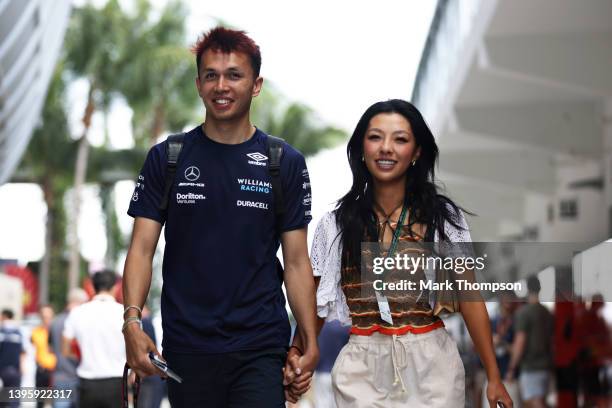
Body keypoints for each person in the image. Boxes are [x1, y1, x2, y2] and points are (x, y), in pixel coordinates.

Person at [122, 26, 319, 407]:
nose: (221, 86)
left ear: (256, 84)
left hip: (261, 345)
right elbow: (142, 249)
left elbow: (296, 261)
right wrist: (132, 322)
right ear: (198, 84)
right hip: (187, 347)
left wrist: (308, 341)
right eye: (211, 75)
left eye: (234, 75)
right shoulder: (168, 158)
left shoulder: (284, 163)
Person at [285, 100, 513, 407]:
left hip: (433, 367)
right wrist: (299, 352)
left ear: (417, 152)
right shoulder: (334, 226)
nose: (386, 148)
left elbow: (470, 297)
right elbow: (314, 304)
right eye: (376, 137)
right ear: (361, 148)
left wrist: (494, 377)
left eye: (400, 139)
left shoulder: (445, 220)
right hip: (361, 370)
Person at [63, 270, 125, 407]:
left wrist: (83, 358)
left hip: (87, 381)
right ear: (116, 287)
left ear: (93, 287)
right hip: (116, 382)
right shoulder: (123, 312)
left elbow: (65, 350)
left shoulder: (77, 312)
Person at [507, 275, 553, 408]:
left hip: (531, 367)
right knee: (541, 401)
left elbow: (520, 342)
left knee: (534, 403)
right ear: (540, 288)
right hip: (546, 366)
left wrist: (511, 368)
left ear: (527, 289)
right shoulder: (547, 312)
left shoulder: (523, 313)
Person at [49, 288, 88, 408]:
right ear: (79, 302)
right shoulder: (80, 321)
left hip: (60, 375)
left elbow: (50, 347)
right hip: (79, 376)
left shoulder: (55, 321)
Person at [31, 304, 57, 408]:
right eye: (43, 316)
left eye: (48, 316)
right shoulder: (36, 332)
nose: (46, 319)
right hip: (42, 370)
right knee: (40, 402)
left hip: (56, 372)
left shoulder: (58, 332)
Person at [0, 309, 25, 408]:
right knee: (14, 397)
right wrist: (22, 367)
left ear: (4, 316)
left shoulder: (1, 331)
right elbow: (23, 351)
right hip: (15, 368)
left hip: (2, 369)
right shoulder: (18, 332)